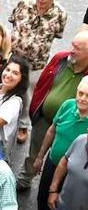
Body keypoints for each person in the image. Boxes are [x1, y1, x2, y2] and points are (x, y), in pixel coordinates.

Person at [17, 31, 88, 197]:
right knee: (35, 152)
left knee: (63, 156)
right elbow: (43, 83)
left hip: (72, 123)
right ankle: (24, 179)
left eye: (77, 48)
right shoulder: (61, 59)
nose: (72, 50)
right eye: (73, 45)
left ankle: (58, 191)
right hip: (45, 117)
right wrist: (36, 108)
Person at [23, 77, 88, 210]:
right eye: (80, 93)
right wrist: (40, 157)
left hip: (76, 173)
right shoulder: (67, 105)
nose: (82, 98)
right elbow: (52, 130)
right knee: (44, 195)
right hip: (54, 162)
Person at [8, 0, 68, 72]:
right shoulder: (23, 3)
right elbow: (13, 21)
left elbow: (57, 34)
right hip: (13, 59)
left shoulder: (60, 14)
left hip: (35, 66)